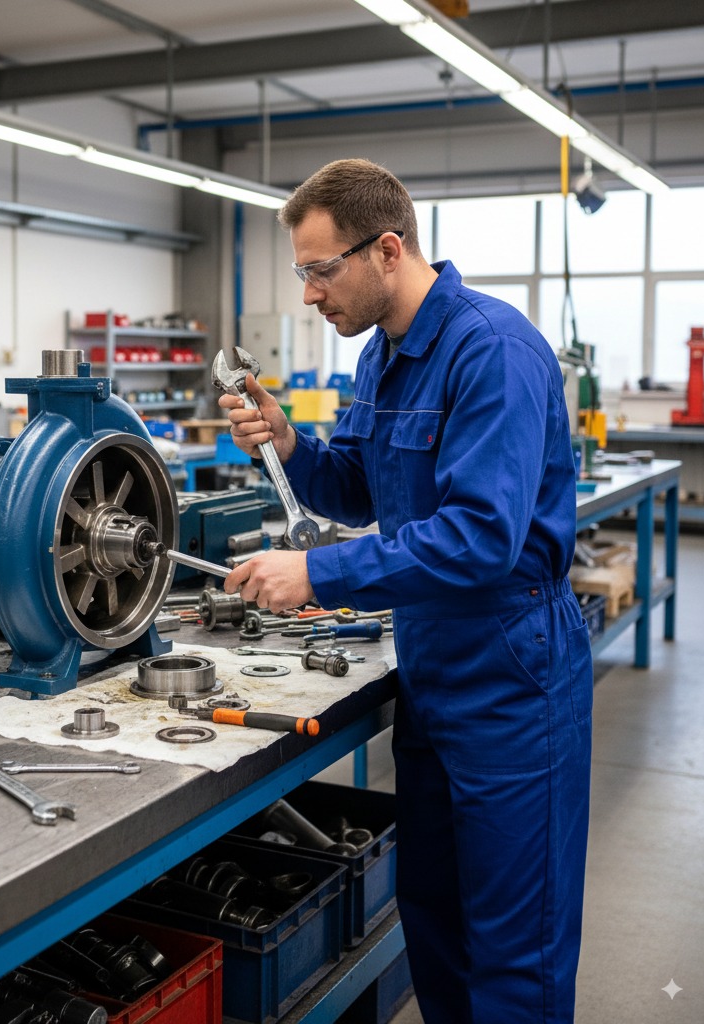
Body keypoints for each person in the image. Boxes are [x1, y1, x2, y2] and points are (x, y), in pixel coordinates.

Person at [219, 158, 593, 1024]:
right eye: (300, 272)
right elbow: (360, 484)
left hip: (511, 676)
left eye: (321, 270)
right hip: (432, 668)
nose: (309, 294)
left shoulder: (489, 350)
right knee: (436, 921)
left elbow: (480, 540)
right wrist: (290, 444)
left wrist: (317, 572)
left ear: (388, 249)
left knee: (514, 949)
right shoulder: (382, 357)